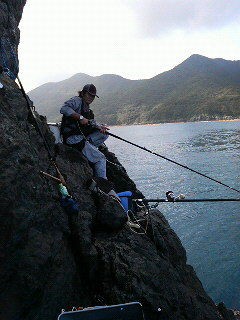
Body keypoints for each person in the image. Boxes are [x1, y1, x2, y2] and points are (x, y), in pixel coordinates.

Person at [60, 84, 109, 179]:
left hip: (82, 137)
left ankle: (89, 149)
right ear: (83, 93)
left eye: (93, 96)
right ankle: (103, 185)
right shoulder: (77, 100)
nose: (91, 98)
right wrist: (80, 117)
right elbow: (64, 108)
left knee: (104, 134)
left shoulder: (87, 108)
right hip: (72, 139)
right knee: (101, 158)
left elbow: (90, 122)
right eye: (89, 95)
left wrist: (99, 127)